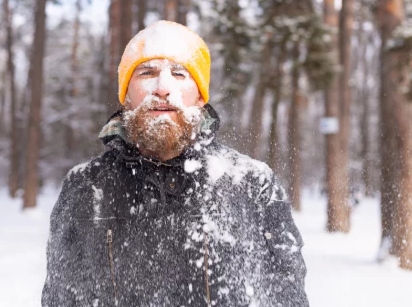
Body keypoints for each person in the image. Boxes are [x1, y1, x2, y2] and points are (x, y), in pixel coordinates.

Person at [42, 20, 309, 307]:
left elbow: (286, 296)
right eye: (147, 72)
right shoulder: (85, 186)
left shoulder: (252, 183)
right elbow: (61, 297)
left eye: (180, 74)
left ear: (199, 96)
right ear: (127, 94)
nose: (163, 87)